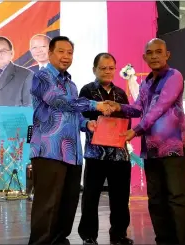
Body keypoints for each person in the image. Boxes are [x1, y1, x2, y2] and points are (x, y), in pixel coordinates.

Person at [28, 36, 112, 245]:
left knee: (67, 205)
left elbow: (73, 114)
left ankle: (59, 240)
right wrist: (96, 105)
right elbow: (59, 101)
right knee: (47, 206)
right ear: (50, 53)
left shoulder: (72, 84)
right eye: (61, 51)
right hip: (48, 151)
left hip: (72, 154)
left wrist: (87, 124)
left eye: (70, 53)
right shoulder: (42, 77)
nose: (66, 56)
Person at [107, 38, 185, 245]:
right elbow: (138, 108)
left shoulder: (174, 76)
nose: (154, 56)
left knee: (176, 199)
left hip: (173, 148)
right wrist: (117, 107)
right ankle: (164, 240)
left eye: (158, 52)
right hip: (151, 150)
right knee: (156, 199)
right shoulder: (146, 82)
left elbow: (159, 108)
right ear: (144, 57)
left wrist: (135, 131)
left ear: (167, 55)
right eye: (150, 53)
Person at [77, 53, 133, 245]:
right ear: (94, 70)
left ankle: (119, 235)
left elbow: (128, 120)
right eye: (103, 68)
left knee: (120, 197)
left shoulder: (121, 94)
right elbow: (80, 117)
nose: (108, 72)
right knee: (91, 196)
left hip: (119, 154)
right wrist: (95, 116)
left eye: (111, 68)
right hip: (95, 154)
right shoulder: (86, 91)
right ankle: (88, 236)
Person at [0, 36, 33, 106]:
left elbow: (29, 107)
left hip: (13, 117)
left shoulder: (26, 75)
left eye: (3, 51)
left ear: (11, 53)